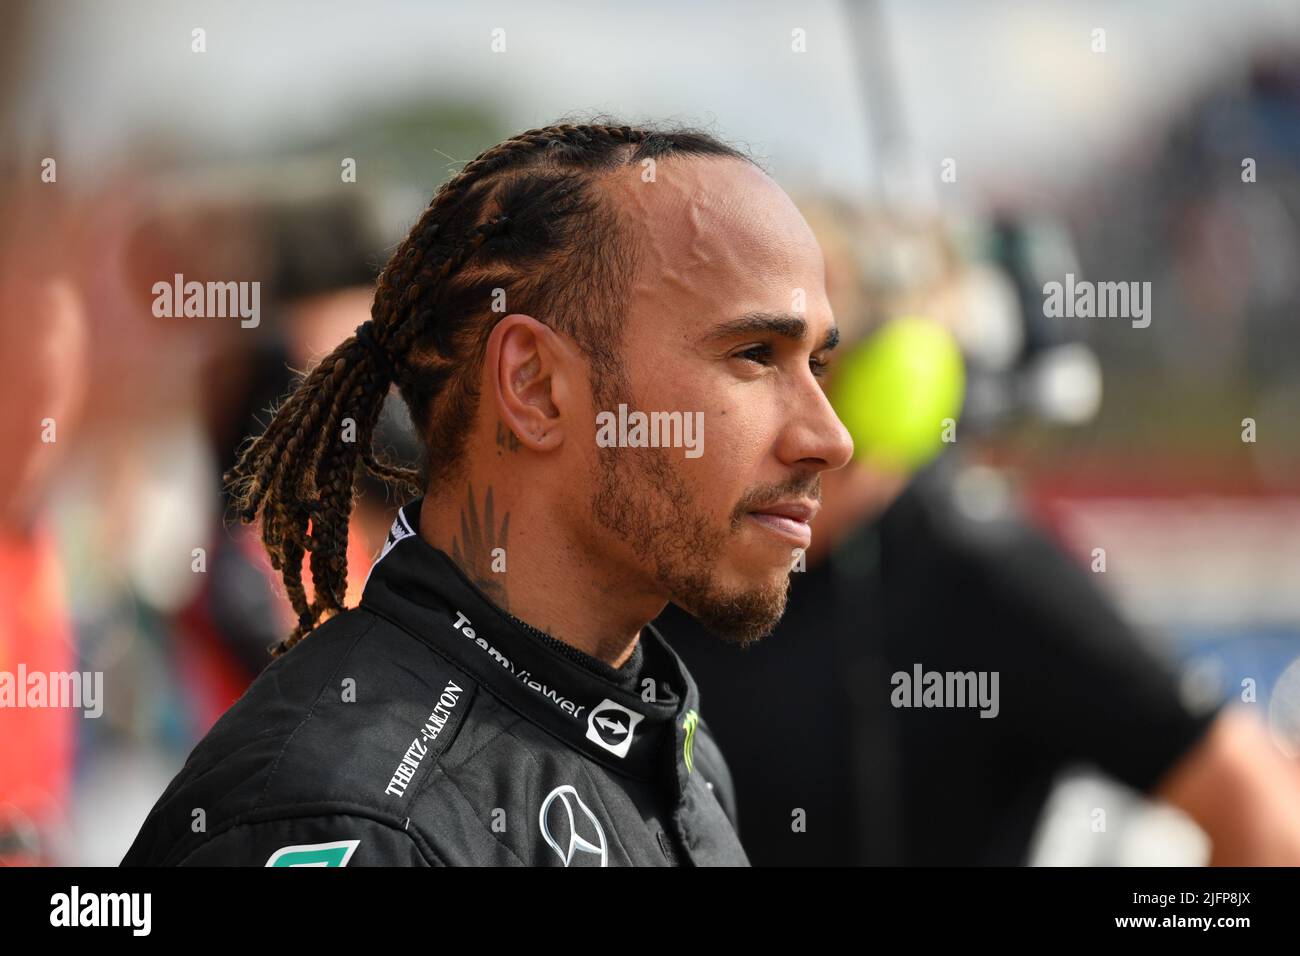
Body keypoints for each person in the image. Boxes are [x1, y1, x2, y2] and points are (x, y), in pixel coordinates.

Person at [120, 120, 853, 867]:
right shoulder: (342, 822)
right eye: (755, 354)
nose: (830, 438)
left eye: (817, 365)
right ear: (534, 387)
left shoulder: (675, 750)